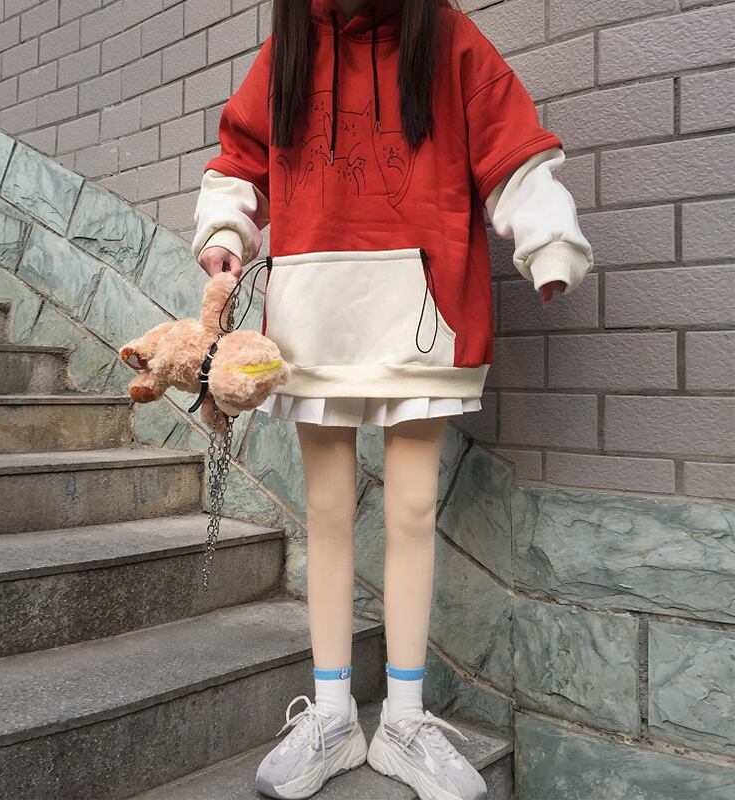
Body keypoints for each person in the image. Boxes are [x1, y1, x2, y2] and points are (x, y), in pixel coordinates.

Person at [192, 1, 593, 798]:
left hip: (421, 310)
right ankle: (333, 714)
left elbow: (510, 146)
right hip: (313, 313)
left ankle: (404, 720)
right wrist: (225, 232)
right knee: (327, 510)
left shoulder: (444, 37)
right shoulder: (291, 47)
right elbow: (240, 157)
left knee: (410, 510)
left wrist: (549, 241)